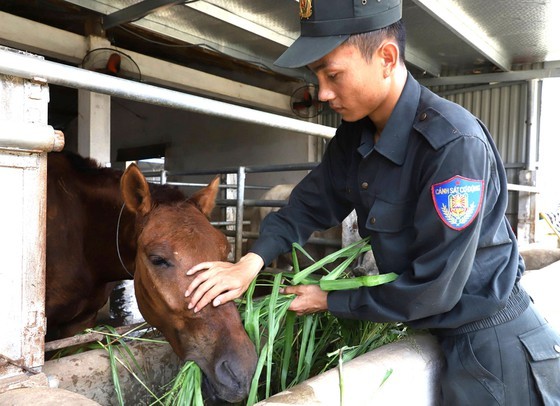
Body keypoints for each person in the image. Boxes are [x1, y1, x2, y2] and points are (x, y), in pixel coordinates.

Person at [185, 0, 560, 404]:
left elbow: (433, 290)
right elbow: (310, 204)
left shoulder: (452, 145)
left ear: (386, 57)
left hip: (493, 348)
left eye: (334, 75)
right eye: (316, 76)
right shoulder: (355, 134)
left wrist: (330, 300)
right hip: (451, 338)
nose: (323, 93)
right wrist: (249, 263)